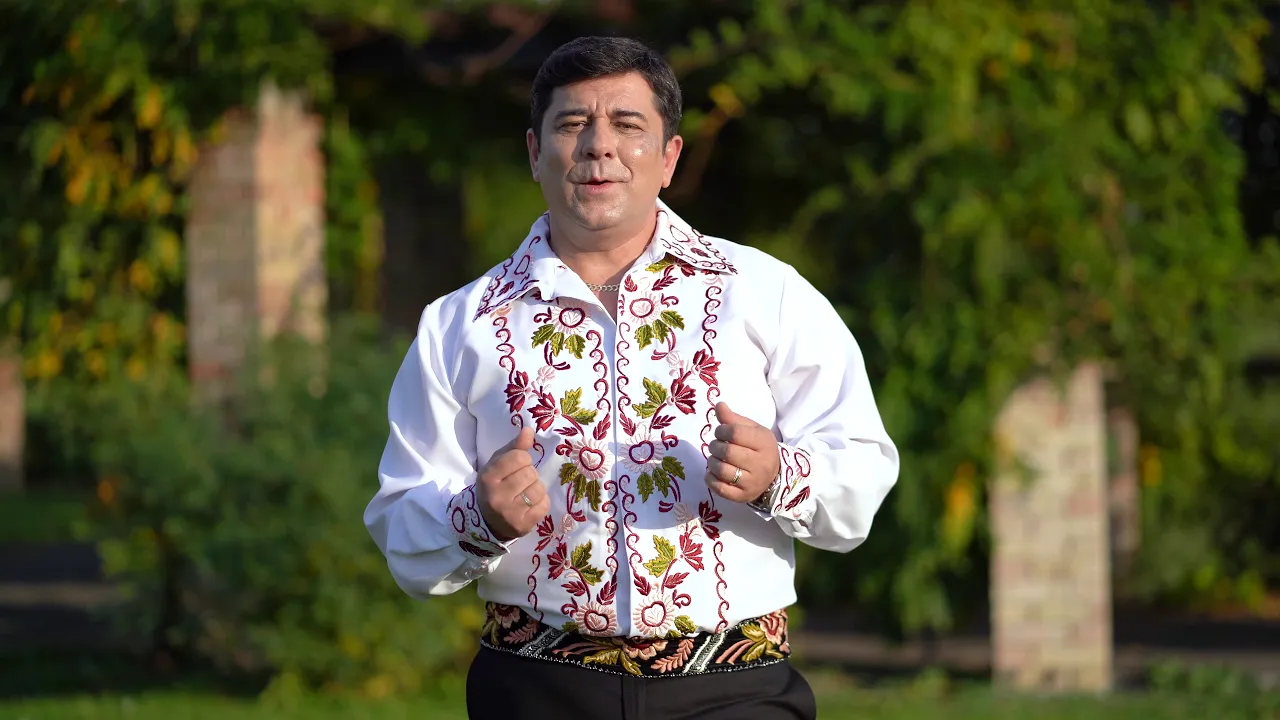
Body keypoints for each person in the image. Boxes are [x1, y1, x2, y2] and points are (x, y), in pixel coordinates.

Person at [364, 35, 899, 720]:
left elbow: (861, 472)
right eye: (571, 124)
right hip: (536, 691)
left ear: (669, 157)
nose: (598, 146)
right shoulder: (459, 323)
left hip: (735, 689)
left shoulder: (765, 293)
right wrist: (480, 514)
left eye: (627, 124)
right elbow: (402, 525)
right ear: (534, 153)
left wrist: (778, 475)